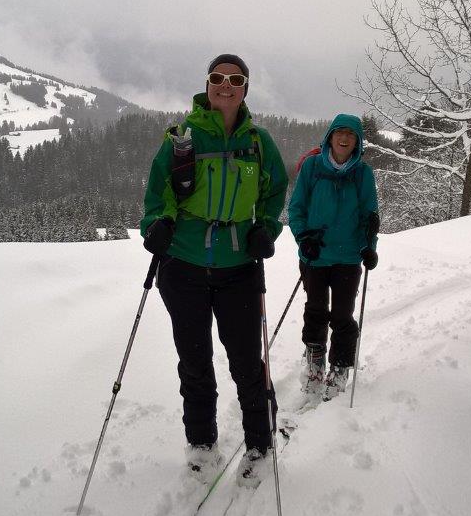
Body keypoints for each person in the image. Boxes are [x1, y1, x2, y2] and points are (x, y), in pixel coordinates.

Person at [140, 53, 289, 487]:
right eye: (218, 78)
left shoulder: (258, 143)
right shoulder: (181, 138)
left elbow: (274, 192)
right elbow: (157, 191)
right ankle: (202, 445)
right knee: (195, 361)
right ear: (207, 85)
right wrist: (159, 223)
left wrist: (266, 229)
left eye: (236, 79)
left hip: (239, 267)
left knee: (246, 361)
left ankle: (260, 445)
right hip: (182, 266)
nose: (226, 85)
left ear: (245, 88)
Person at [287, 113, 379, 401]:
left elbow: (369, 215)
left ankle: (340, 367)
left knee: (342, 314)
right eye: (339, 132)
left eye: (350, 134)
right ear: (329, 136)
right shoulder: (313, 167)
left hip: (349, 257)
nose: (344, 138)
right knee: (315, 309)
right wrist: (303, 238)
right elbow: (297, 208)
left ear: (358, 141)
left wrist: (369, 246)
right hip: (315, 254)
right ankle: (315, 361)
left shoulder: (362, 173)